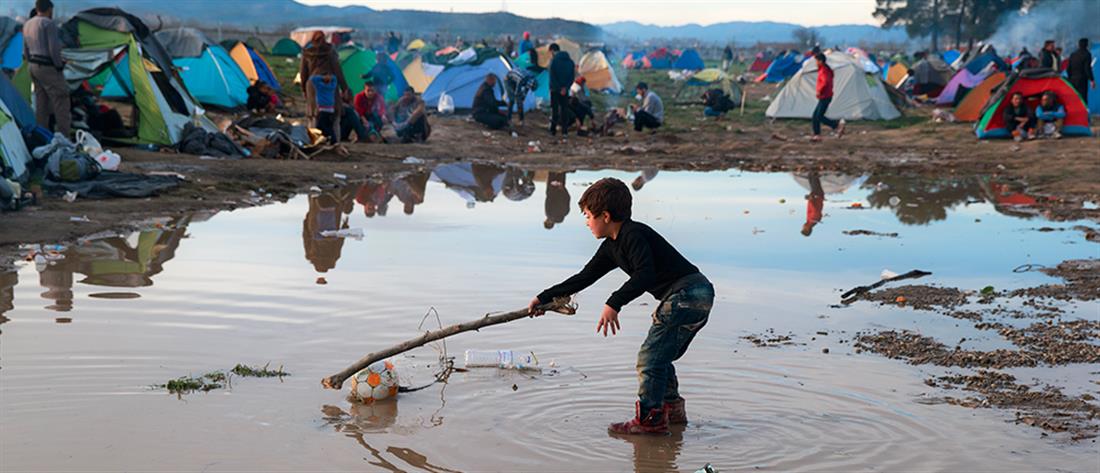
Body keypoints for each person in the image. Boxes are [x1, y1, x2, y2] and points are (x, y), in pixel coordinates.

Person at [527, 177, 714, 435]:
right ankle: (672, 411)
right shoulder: (611, 247)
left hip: (685, 293)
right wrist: (544, 298)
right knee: (661, 355)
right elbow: (585, 277)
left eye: (588, 216)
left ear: (605, 216)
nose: (586, 223)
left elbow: (644, 274)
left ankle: (650, 421)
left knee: (648, 359)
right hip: (698, 294)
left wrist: (614, 303)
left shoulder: (633, 234)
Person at [22, 0, 70, 135]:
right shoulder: (48, 24)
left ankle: (42, 135)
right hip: (47, 67)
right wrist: (59, 65)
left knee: (41, 102)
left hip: (33, 66)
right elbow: (53, 48)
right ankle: (64, 136)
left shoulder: (27, 24)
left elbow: (25, 51)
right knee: (61, 99)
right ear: (49, 9)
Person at [300, 31, 349, 101]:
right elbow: (338, 71)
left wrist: (304, 89)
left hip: (313, 84)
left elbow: (303, 73)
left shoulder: (307, 53)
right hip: (329, 82)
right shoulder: (331, 51)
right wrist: (344, 88)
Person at [810, 52, 846, 142]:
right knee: (816, 116)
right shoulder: (825, 69)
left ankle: (837, 125)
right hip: (826, 95)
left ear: (821, 61)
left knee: (818, 116)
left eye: (816, 61)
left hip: (825, 96)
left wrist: (819, 91)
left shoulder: (824, 70)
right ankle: (817, 134)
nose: (816, 63)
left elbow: (825, 82)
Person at [548, 43, 575, 136]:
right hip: (565, 91)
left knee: (555, 110)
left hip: (555, 90)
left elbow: (552, 77)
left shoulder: (553, 61)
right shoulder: (570, 62)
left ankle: (553, 130)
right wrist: (565, 88)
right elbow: (572, 77)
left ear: (552, 51)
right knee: (564, 110)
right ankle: (564, 131)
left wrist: (559, 88)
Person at [307, 73, 341, 142]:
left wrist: (322, 77)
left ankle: (332, 140)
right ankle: (330, 140)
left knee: (320, 126)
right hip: (331, 110)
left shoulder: (320, 86)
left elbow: (312, 78)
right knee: (328, 126)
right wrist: (330, 77)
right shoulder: (332, 87)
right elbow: (335, 78)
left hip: (322, 110)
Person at [1067, 38, 1095, 106]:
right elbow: (1087, 68)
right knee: (1083, 97)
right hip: (1082, 79)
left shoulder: (1073, 54)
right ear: (1086, 45)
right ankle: (1084, 113)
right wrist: (1091, 79)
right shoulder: (1087, 54)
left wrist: (1070, 77)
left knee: (1074, 96)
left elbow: (1068, 68)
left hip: (1073, 79)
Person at [801, 171, 825, 236]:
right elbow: (815, 209)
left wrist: (810, 198)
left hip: (816, 196)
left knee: (811, 177)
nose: (802, 226)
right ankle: (816, 167)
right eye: (803, 228)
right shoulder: (813, 219)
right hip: (817, 196)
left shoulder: (810, 221)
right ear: (807, 229)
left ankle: (814, 169)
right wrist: (811, 198)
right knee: (814, 177)